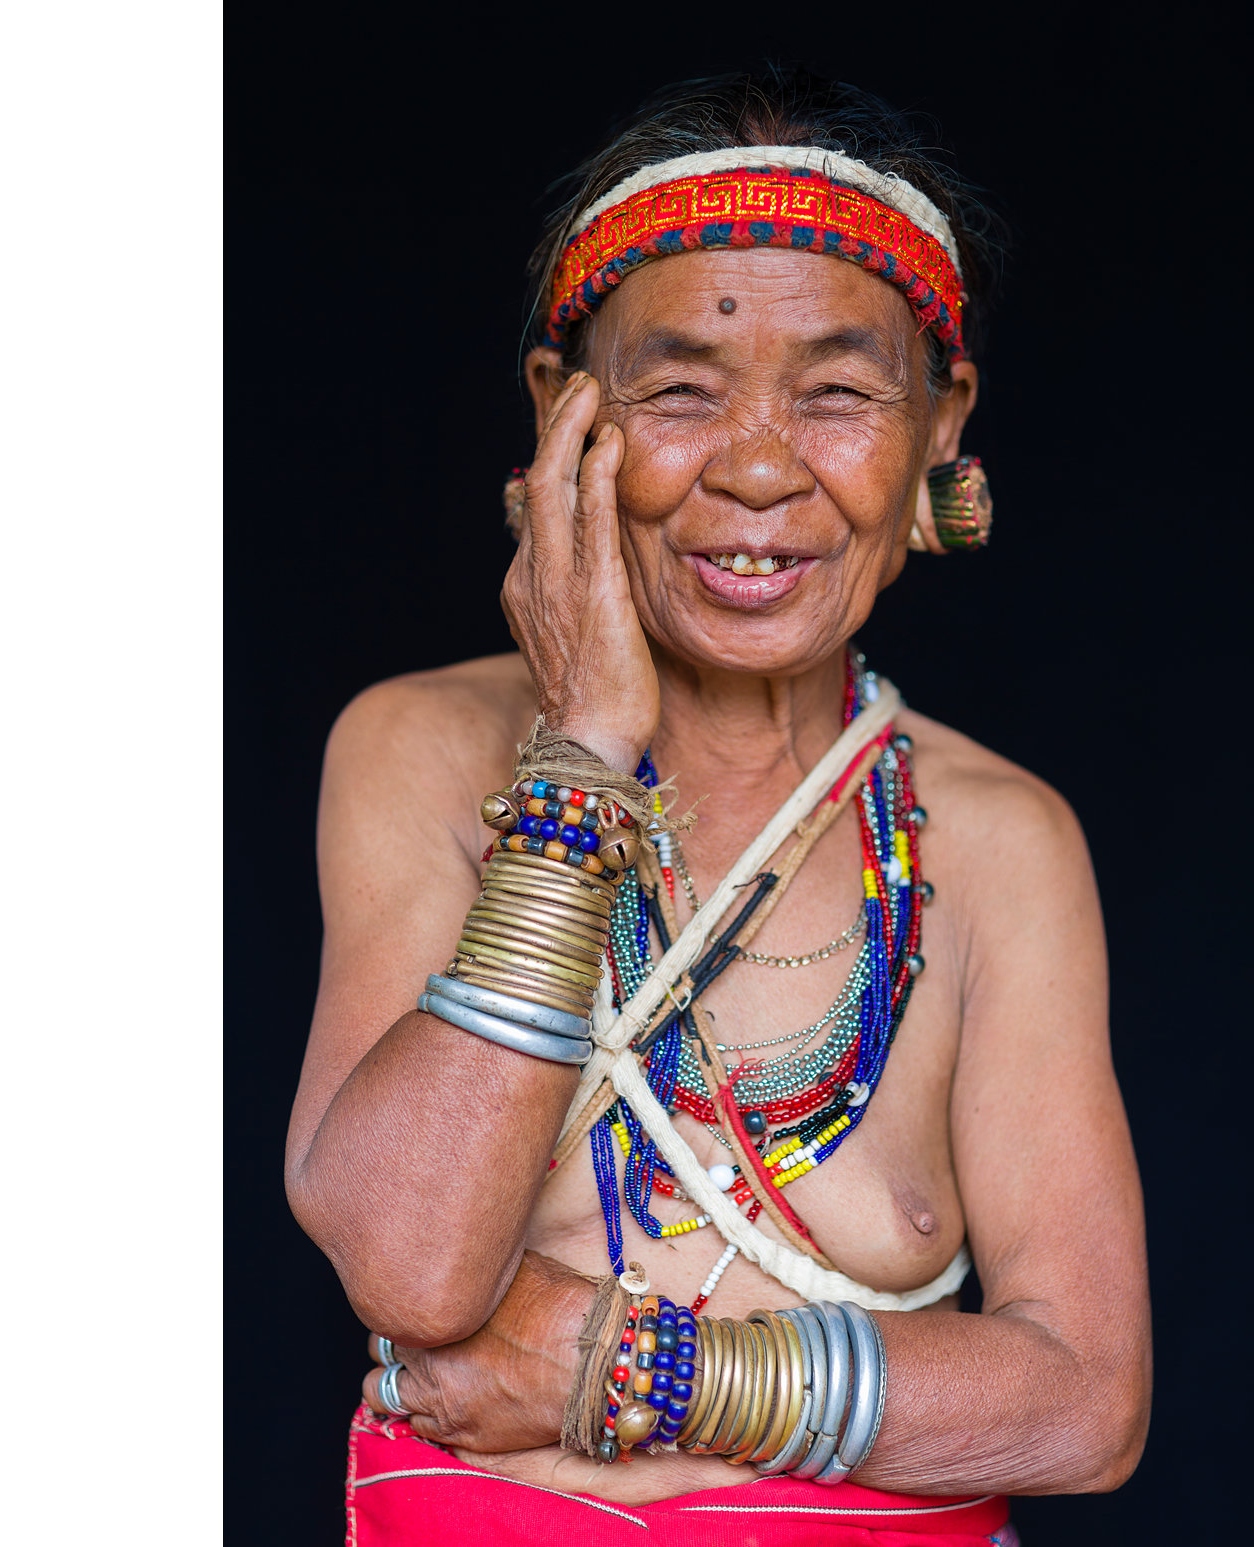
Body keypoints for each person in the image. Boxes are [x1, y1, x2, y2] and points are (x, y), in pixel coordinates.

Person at [286, 69, 1146, 1545]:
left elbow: (1083, 1408)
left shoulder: (1004, 845)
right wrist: (587, 754)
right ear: (566, 417)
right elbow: (417, 1270)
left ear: (943, 426)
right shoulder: (418, 752)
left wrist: (622, 1368)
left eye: (838, 392)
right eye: (680, 389)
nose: (756, 466)